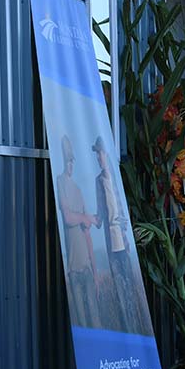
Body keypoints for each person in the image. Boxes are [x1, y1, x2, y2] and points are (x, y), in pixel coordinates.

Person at [92, 135, 147, 334]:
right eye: (97, 154)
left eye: (100, 153)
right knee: (120, 291)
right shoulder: (99, 182)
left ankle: (136, 328)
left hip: (125, 241)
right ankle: (126, 329)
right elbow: (99, 217)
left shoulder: (119, 177)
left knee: (131, 288)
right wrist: (84, 218)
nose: (99, 158)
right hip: (112, 245)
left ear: (106, 154)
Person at [56, 135, 100, 328]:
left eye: (73, 161)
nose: (71, 164)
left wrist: (96, 273)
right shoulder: (60, 182)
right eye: (68, 160)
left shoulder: (79, 190)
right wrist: (87, 217)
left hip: (87, 270)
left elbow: (87, 234)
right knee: (81, 324)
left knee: (95, 322)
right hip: (73, 271)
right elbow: (67, 218)